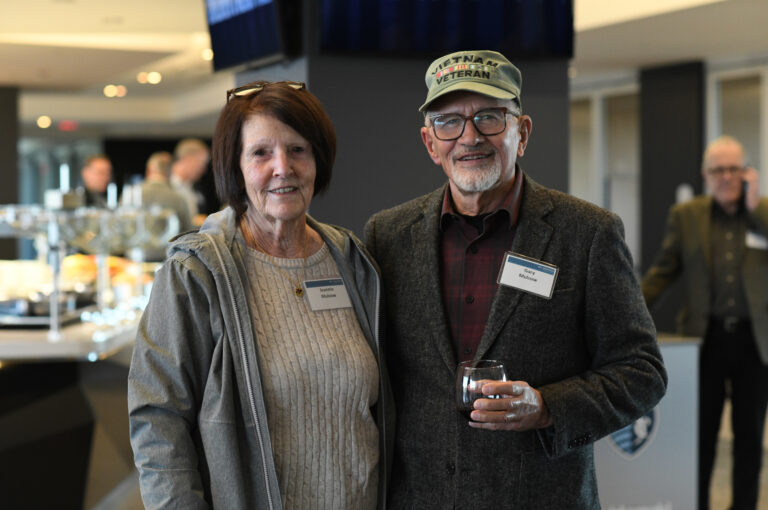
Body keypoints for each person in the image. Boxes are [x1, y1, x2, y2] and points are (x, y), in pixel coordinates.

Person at [364, 49, 667, 509]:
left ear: (521, 133)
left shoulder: (586, 233)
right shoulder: (387, 236)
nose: (469, 137)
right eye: (449, 122)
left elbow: (642, 372)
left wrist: (545, 407)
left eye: (489, 117)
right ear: (430, 143)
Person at [128, 80, 393, 509]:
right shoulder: (196, 273)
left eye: (298, 149)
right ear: (235, 168)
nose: (282, 167)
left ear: (318, 161)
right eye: (261, 153)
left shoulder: (352, 261)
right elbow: (158, 420)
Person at [642, 135, 768, 510]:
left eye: (733, 169)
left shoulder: (763, 213)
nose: (726, 177)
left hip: (755, 342)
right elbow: (664, 271)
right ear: (705, 175)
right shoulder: (687, 216)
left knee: (749, 439)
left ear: (746, 173)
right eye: (718, 170)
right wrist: (628, 310)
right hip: (705, 340)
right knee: (701, 436)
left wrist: (755, 208)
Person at [137, 151, 194, 260]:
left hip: (135, 259)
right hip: (168, 260)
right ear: (170, 172)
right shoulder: (178, 198)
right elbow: (188, 234)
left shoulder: (131, 194)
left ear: (148, 170)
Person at [171, 137, 211, 225]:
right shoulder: (167, 186)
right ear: (188, 159)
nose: (204, 170)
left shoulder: (193, 189)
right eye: (201, 164)